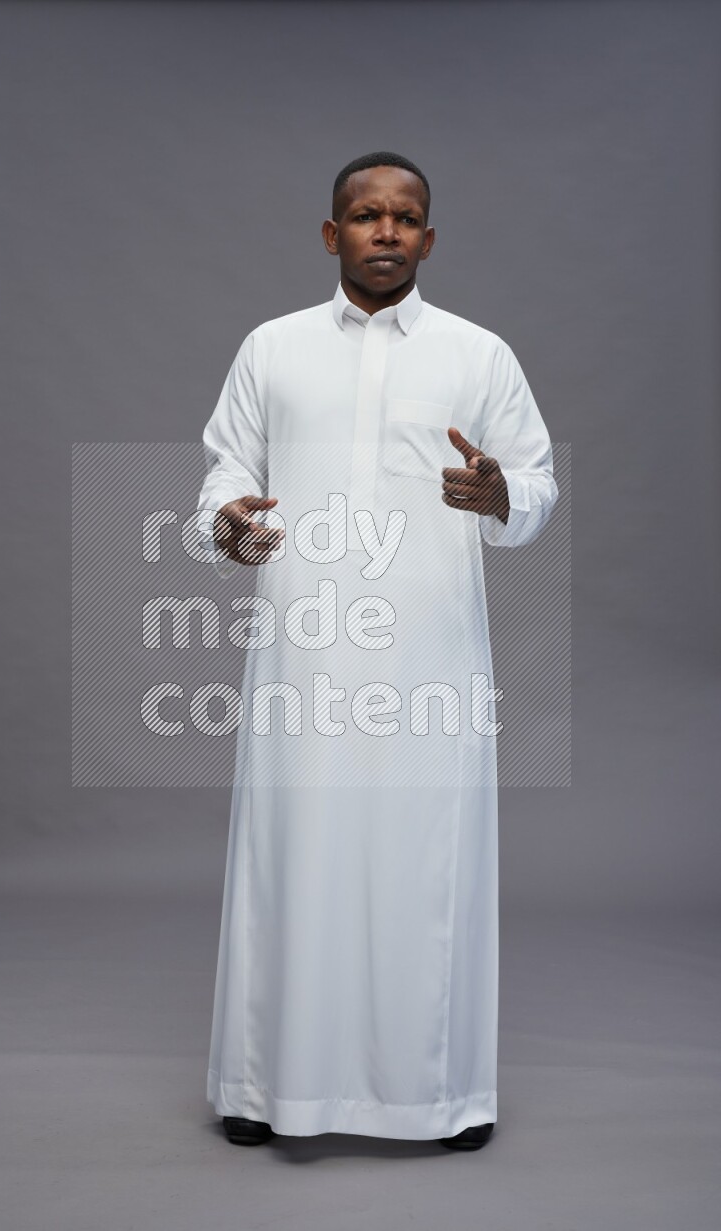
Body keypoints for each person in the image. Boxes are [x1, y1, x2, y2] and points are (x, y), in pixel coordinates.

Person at [196, 151, 558, 1149]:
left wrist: (500, 496)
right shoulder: (271, 348)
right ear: (331, 235)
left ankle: (439, 1095)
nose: (385, 231)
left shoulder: (476, 354)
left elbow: (532, 478)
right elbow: (227, 467)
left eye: (404, 217)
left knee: (422, 862)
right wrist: (227, 523)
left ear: (428, 239)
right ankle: (261, 1087)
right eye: (365, 215)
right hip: (304, 648)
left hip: (427, 656)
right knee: (290, 857)